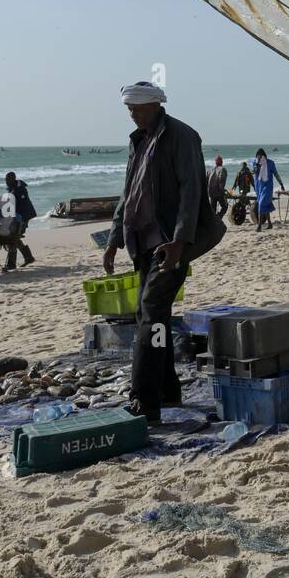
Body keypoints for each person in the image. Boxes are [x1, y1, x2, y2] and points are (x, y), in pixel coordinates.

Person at [104, 82, 226, 423]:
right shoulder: (138, 141)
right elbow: (128, 193)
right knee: (152, 316)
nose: (132, 114)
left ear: (156, 106)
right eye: (129, 110)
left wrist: (180, 241)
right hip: (142, 243)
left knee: (150, 310)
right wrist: (114, 238)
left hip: (169, 243)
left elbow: (191, 189)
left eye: (137, 109)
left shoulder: (182, 136)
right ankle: (167, 389)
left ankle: (145, 401)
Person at [3, 171, 36, 270]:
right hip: (16, 217)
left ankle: (11, 264)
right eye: (5, 180)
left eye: (8, 180)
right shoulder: (12, 189)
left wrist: (22, 221)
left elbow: (24, 207)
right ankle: (29, 257)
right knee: (15, 238)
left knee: (13, 238)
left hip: (22, 217)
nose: (6, 182)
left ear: (13, 179)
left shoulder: (21, 190)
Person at [253, 148, 284, 231]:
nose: (259, 158)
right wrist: (258, 164)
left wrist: (281, 184)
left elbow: (276, 174)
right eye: (257, 156)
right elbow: (253, 171)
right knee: (264, 205)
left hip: (268, 186)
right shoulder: (255, 163)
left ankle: (259, 225)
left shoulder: (270, 163)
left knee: (261, 204)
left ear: (264, 155)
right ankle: (270, 223)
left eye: (260, 156)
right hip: (259, 187)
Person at [207, 155, 228, 219]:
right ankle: (219, 217)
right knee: (225, 206)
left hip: (211, 192)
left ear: (215, 162)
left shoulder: (210, 170)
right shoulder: (222, 169)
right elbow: (221, 179)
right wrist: (222, 190)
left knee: (213, 209)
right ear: (222, 162)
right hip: (219, 192)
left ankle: (214, 220)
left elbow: (206, 180)